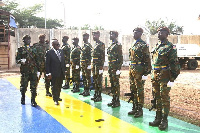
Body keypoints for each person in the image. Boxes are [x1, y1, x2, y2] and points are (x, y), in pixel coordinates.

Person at [149, 27, 180, 130]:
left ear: (167, 34)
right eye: (158, 32)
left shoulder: (170, 47)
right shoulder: (157, 46)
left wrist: (172, 79)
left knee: (164, 98)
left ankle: (164, 120)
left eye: (162, 32)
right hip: (155, 75)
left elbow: (175, 65)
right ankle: (158, 118)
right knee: (156, 97)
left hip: (165, 76)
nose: (159, 34)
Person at [128, 28, 151, 117]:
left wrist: (146, 73)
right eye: (133, 33)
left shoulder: (143, 44)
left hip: (139, 69)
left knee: (139, 90)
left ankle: (140, 109)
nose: (134, 34)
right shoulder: (133, 44)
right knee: (133, 88)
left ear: (140, 34)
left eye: (136, 33)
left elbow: (147, 59)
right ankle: (134, 107)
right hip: (132, 68)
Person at [16, 35, 39, 107]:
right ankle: (23, 98)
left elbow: (37, 60)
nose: (28, 40)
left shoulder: (34, 49)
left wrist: (38, 70)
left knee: (34, 86)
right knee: (23, 86)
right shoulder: (20, 49)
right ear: (23, 41)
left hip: (33, 71)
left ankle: (33, 100)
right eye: (26, 39)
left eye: (29, 39)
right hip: (25, 71)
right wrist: (21, 61)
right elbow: (17, 60)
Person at [45, 40, 66, 105]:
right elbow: (47, 64)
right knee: (54, 86)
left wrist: (64, 70)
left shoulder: (61, 51)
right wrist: (48, 73)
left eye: (58, 44)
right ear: (53, 45)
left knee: (59, 85)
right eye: (57, 45)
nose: (58, 46)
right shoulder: (49, 52)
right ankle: (55, 99)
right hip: (54, 72)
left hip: (61, 72)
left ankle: (58, 96)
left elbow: (63, 61)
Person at [107, 31, 123, 108]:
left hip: (115, 67)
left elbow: (120, 57)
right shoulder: (110, 44)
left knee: (116, 84)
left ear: (116, 36)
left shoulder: (118, 45)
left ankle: (117, 101)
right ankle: (113, 99)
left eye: (112, 34)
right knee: (112, 84)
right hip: (111, 67)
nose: (110, 35)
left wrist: (118, 69)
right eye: (110, 34)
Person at [91, 31, 105, 102]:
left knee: (99, 81)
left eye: (95, 35)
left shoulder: (101, 44)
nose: (94, 36)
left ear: (98, 35)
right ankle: (96, 94)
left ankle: (99, 96)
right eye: (93, 35)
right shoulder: (94, 44)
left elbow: (102, 56)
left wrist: (101, 66)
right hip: (94, 64)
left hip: (98, 65)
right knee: (95, 80)